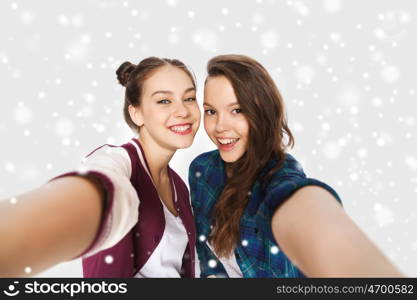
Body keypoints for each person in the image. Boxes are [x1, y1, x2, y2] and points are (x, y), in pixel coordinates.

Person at [189, 54, 403, 278]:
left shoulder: (279, 178)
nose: (220, 126)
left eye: (237, 110)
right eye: (211, 111)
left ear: (261, 112)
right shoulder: (202, 169)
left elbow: (299, 207)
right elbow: (208, 259)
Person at [0, 57, 201, 278]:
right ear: (137, 113)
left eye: (189, 98)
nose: (183, 111)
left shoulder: (179, 186)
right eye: (164, 101)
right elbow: (103, 186)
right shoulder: (117, 162)